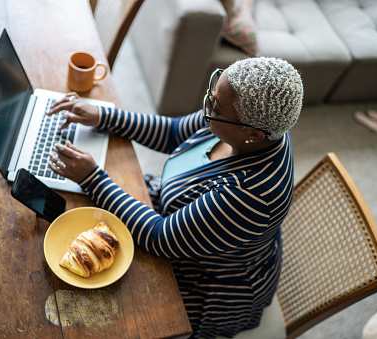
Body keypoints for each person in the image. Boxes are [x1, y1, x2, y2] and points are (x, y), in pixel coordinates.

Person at [47, 57, 303, 338]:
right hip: (180, 219)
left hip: (205, 276)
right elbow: (173, 132)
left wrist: (92, 178)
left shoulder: (249, 197)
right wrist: (103, 116)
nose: (207, 102)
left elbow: (159, 238)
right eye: (214, 88)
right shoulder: (239, 120)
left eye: (215, 105)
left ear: (252, 134)